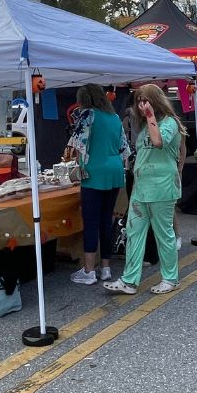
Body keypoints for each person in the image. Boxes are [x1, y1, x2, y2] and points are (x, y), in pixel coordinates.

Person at [103, 84, 185, 295]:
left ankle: (170, 278)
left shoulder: (169, 123)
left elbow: (158, 142)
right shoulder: (143, 125)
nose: (141, 105)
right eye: (138, 101)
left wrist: (150, 116)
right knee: (134, 233)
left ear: (155, 100)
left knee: (163, 234)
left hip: (162, 188)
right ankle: (129, 280)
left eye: (145, 100)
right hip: (142, 188)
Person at [66, 84, 129, 286]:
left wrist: (79, 164)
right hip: (114, 170)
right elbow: (124, 148)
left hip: (94, 171)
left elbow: (77, 143)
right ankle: (106, 268)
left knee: (91, 221)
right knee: (106, 220)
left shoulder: (88, 115)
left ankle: (89, 270)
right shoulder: (115, 118)